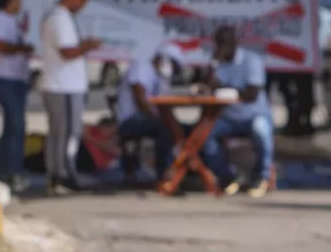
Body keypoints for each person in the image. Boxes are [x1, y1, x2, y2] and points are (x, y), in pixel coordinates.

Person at [40, 0, 101, 195]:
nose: (83, 7)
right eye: (83, 1)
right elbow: (67, 52)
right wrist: (87, 46)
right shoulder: (59, 18)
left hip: (68, 85)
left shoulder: (60, 16)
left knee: (67, 132)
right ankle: (60, 175)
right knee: (64, 133)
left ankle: (63, 173)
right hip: (62, 86)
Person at [201, 26, 274, 198]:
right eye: (218, 45)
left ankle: (261, 177)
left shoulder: (251, 61)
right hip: (230, 119)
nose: (221, 48)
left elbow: (252, 93)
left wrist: (228, 90)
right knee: (204, 135)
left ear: (234, 43)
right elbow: (209, 86)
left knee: (261, 130)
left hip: (254, 115)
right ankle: (229, 176)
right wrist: (213, 63)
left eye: (224, 44)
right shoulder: (220, 63)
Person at [0, 0, 34, 193]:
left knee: (14, 127)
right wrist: (22, 49)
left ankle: (9, 168)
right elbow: (1, 46)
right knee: (16, 125)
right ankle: (10, 170)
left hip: (17, 79)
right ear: (9, 0)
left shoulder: (11, 20)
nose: (20, 4)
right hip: (5, 79)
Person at [116, 43, 183, 185]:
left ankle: (181, 170)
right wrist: (161, 119)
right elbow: (140, 100)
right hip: (130, 120)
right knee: (164, 128)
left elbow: (165, 104)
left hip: (146, 119)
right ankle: (162, 175)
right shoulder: (142, 67)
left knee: (181, 127)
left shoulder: (159, 76)